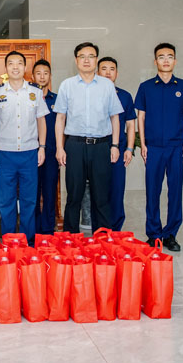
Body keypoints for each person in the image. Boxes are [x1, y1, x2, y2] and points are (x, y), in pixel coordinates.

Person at [54, 43, 123, 233]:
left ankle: (102, 238)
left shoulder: (107, 85)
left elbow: (115, 117)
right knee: (74, 195)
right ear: (76, 60)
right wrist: (60, 147)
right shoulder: (67, 85)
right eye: (82, 56)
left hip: (101, 146)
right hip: (74, 145)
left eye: (91, 56)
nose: (86, 60)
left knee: (101, 196)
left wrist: (115, 145)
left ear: (96, 60)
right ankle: (70, 238)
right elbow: (60, 118)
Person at [0, 51, 49, 245]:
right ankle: (9, 241)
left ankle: (28, 242)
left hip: (30, 153)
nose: (15, 67)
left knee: (29, 201)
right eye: (11, 63)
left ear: (24, 67)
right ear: (6, 68)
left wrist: (42, 147)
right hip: (5, 154)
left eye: (19, 63)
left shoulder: (35, 93)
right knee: (6, 201)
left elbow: (41, 122)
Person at [135, 42, 183, 252]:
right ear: (155, 61)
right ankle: (154, 234)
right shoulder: (146, 87)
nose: (166, 60)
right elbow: (141, 117)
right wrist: (143, 144)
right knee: (153, 191)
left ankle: (170, 234)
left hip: (176, 146)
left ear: (175, 61)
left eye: (169, 56)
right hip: (153, 148)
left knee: (175, 191)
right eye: (161, 57)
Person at [97, 56, 137, 231]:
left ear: (117, 73)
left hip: (118, 150)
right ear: (97, 72)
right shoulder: (91, 94)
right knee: (98, 191)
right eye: (104, 69)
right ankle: (100, 229)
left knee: (117, 189)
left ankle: (115, 229)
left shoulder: (125, 96)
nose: (108, 73)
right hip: (96, 149)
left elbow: (130, 124)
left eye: (111, 69)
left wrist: (129, 148)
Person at [32, 59, 59, 235]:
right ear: (32, 76)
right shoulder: (27, 98)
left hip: (51, 153)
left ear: (50, 76)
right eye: (38, 73)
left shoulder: (57, 100)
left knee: (50, 192)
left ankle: (48, 231)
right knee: (32, 194)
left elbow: (62, 126)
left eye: (46, 73)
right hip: (30, 152)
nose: (42, 77)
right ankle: (33, 230)